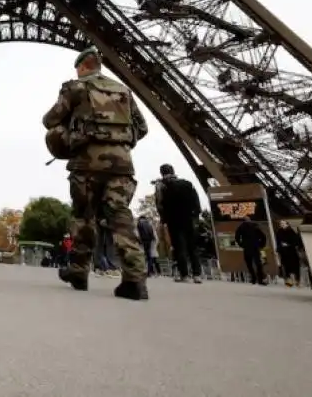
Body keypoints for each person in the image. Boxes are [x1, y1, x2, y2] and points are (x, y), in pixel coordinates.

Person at [43, 45, 150, 300]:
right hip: (121, 164)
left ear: (82, 67)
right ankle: (135, 279)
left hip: (86, 163)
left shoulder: (75, 88)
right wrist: (120, 139)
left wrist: (71, 136)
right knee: (121, 217)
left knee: (83, 217)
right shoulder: (123, 90)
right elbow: (142, 127)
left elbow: (50, 120)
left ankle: (79, 271)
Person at [154, 163, 203, 283]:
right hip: (189, 219)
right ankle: (197, 275)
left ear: (162, 173)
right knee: (192, 247)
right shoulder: (187, 183)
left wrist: (163, 219)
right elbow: (196, 200)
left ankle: (184, 275)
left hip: (174, 220)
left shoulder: (162, 186)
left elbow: (160, 204)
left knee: (179, 247)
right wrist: (195, 214)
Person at [234, 216, 267, 285]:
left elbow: (237, 237)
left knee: (249, 264)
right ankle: (260, 279)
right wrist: (261, 245)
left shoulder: (241, 227)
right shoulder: (255, 226)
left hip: (247, 248)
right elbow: (263, 236)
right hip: (255, 247)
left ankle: (254, 278)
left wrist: (242, 244)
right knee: (258, 264)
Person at [276, 220, 302, 287]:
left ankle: (297, 281)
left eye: (283, 223)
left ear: (287, 224)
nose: (281, 224)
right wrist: (278, 249)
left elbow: (295, 241)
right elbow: (278, 241)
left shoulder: (291, 231)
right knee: (286, 267)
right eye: (280, 223)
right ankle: (289, 282)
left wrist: (288, 244)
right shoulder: (279, 231)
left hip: (291, 252)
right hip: (283, 252)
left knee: (295, 267)